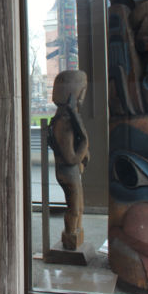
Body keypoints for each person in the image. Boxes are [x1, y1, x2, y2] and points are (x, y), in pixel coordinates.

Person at [48, 70, 89, 250]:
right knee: (74, 208)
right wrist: (85, 141)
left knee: (79, 207)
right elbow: (72, 157)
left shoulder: (68, 119)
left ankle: (75, 234)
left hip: (71, 171)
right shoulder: (63, 122)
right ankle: (70, 236)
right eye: (83, 92)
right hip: (67, 171)